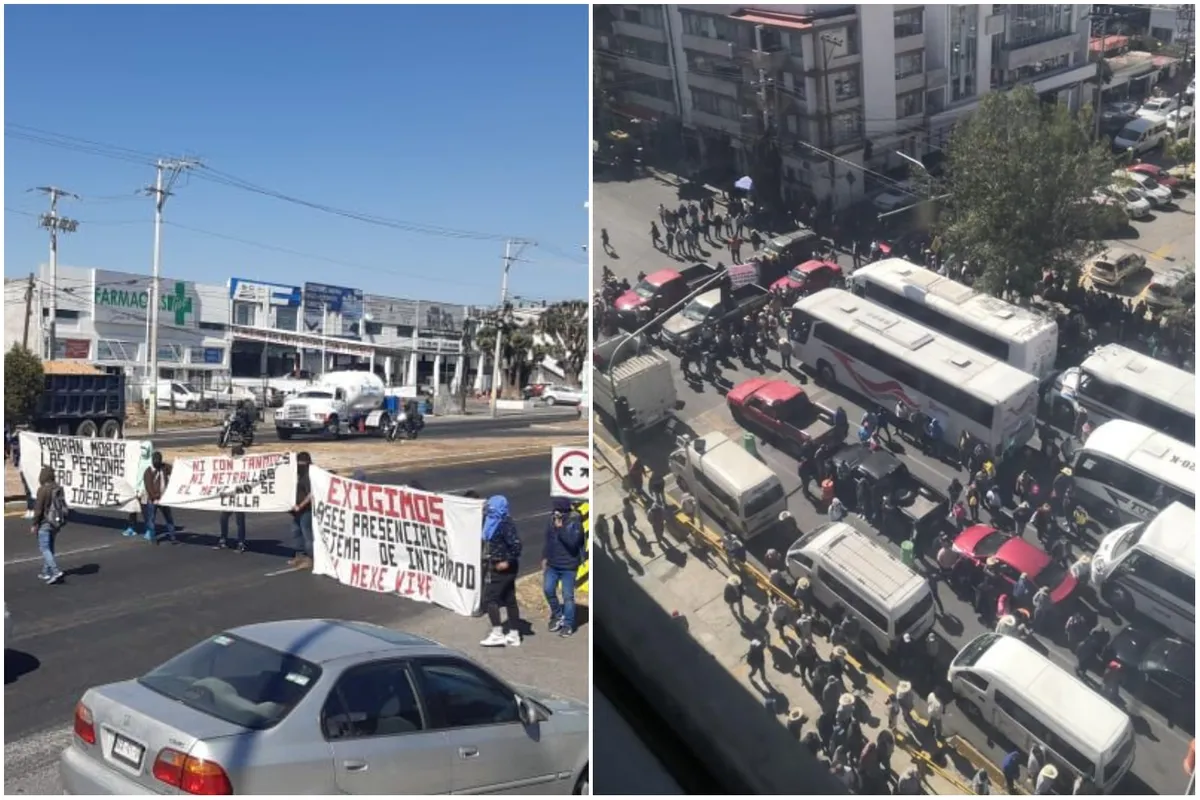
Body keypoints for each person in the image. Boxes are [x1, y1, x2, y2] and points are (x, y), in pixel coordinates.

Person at [481, 495, 524, 647]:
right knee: (509, 599)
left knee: (490, 599)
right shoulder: (491, 522)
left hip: (503, 568)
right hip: (496, 564)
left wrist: (506, 561)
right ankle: (513, 634)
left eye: (492, 507)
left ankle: (497, 633)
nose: (489, 510)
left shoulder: (505, 524)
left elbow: (517, 546)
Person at [542, 498, 585, 637]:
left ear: (565, 511)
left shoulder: (575, 523)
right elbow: (548, 540)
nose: (556, 513)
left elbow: (573, 544)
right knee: (548, 590)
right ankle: (558, 615)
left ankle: (568, 624)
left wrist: (561, 529)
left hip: (568, 566)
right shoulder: (551, 520)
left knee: (568, 597)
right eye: (555, 510)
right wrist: (544, 557)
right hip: (552, 564)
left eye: (559, 511)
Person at [31, 466, 66, 584]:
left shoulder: (42, 490)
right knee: (50, 547)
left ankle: (55, 572)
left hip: (45, 522)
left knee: (44, 548)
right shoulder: (58, 488)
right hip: (56, 522)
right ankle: (46, 572)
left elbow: (38, 510)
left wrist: (34, 524)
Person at [214, 445, 250, 552]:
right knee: (223, 518)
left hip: (240, 497)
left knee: (240, 521)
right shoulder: (229, 465)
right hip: (229, 497)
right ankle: (223, 539)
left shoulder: (246, 466)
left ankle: (241, 542)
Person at [142, 451, 177, 544]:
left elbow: (175, 470)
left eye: (159, 460)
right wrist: (155, 496)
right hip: (153, 500)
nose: (157, 461)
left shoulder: (164, 467)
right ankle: (153, 538)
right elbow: (148, 486)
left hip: (164, 499)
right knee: (151, 520)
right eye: (155, 460)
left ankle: (173, 536)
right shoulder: (148, 471)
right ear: (152, 460)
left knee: (168, 518)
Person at [288, 452, 314, 568]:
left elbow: (311, 495)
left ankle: (310, 559)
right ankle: (299, 556)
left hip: (307, 510)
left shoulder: (308, 476)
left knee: (306, 534)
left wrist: (300, 506)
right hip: (297, 511)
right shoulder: (298, 474)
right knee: (296, 532)